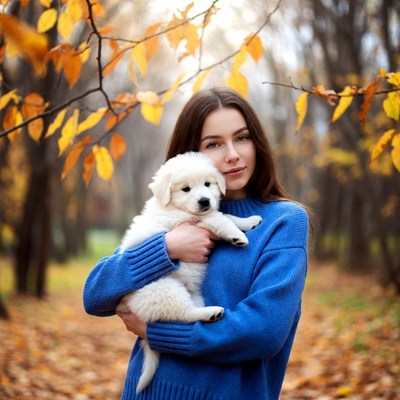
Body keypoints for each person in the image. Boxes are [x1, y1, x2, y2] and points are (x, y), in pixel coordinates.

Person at [83, 87, 309, 400]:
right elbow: (95, 295)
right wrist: (166, 248)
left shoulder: (283, 221)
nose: (232, 154)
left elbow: (264, 332)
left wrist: (158, 333)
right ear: (190, 154)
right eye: (214, 144)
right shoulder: (171, 214)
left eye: (242, 138)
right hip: (149, 393)